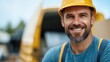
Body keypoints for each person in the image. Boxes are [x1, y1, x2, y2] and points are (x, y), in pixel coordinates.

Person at [42, 0, 110, 62]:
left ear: (92, 20)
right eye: (70, 16)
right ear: (62, 21)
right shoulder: (53, 57)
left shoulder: (106, 50)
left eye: (82, 15)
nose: (76, 22)